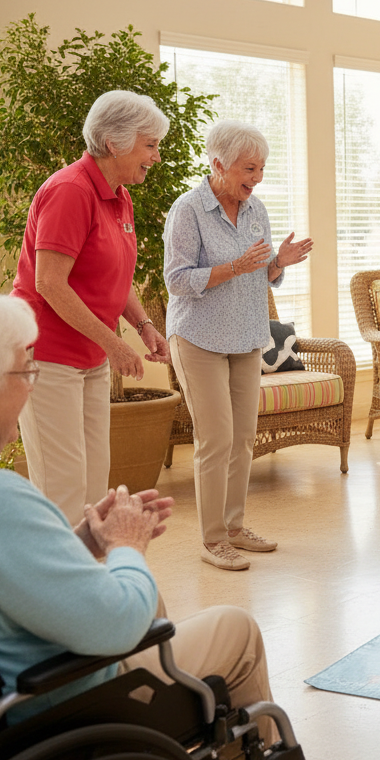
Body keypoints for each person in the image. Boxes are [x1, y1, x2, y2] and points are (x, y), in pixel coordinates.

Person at [0, 284, 346, 760]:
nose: (31, 386)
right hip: (57, 713)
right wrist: (126, 545)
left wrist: (83, 542)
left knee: (157, 603)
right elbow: (119, 626)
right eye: (24, 371)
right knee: (235, 630)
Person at [11, 90, 172, 525]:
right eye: (150, 145)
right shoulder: (69, 191)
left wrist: (142, 325)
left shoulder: (119, 195)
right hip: (47, 354)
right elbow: (49, 283)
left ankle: (86, 578)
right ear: (115, 143)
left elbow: (113, 275)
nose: (155, 157)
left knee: (93, 480)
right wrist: (113, 344)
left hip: (89, 356)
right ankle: (56, 585)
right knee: (63, 484)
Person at [164, 120, 313, 571]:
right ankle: (213, 540)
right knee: (215, 439)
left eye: (261, 168)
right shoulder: (187, 210)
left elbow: (260, 272)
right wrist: (234, 266)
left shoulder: (256, 210)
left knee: (243, 438)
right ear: (219, 165)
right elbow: (177, 280)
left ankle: (234, 526)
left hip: (247, 336)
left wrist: (277, 264)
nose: (256, 178)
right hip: (199, 337)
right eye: (249, 168)